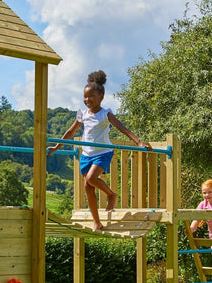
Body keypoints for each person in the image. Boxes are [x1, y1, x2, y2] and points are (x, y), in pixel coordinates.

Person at [48, 70, 150, 230]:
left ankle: (111, 195)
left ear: (101, 97)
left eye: (91, 96)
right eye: (85, 97)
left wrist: (138, 142)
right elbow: (70, 132)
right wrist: (56, 147)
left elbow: (122, 128)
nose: (87, 100)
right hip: (86, 154)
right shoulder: (82, 114)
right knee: (88, 187)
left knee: (91, 178)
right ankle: (97, 222)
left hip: (102, 153)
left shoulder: (105, 114)